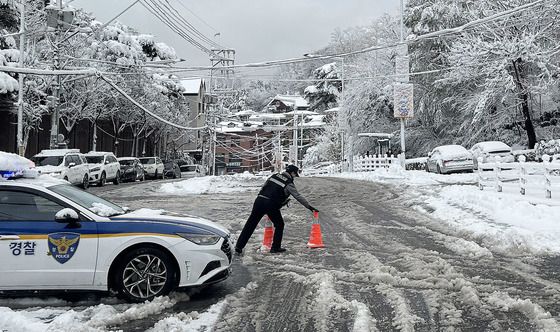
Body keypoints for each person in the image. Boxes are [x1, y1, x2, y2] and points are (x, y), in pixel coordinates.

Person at [235, 165, 319, 254]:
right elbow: (297, 196)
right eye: (295, 174)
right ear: (292, 173)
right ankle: (275, 247)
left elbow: (264, 188)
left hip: (259, 201)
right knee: (279, 224)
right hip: (271, 204)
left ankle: (239, 247)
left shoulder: (273, 176)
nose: (295, 176)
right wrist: (309, 207)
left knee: (250, 224)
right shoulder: (288, 183)